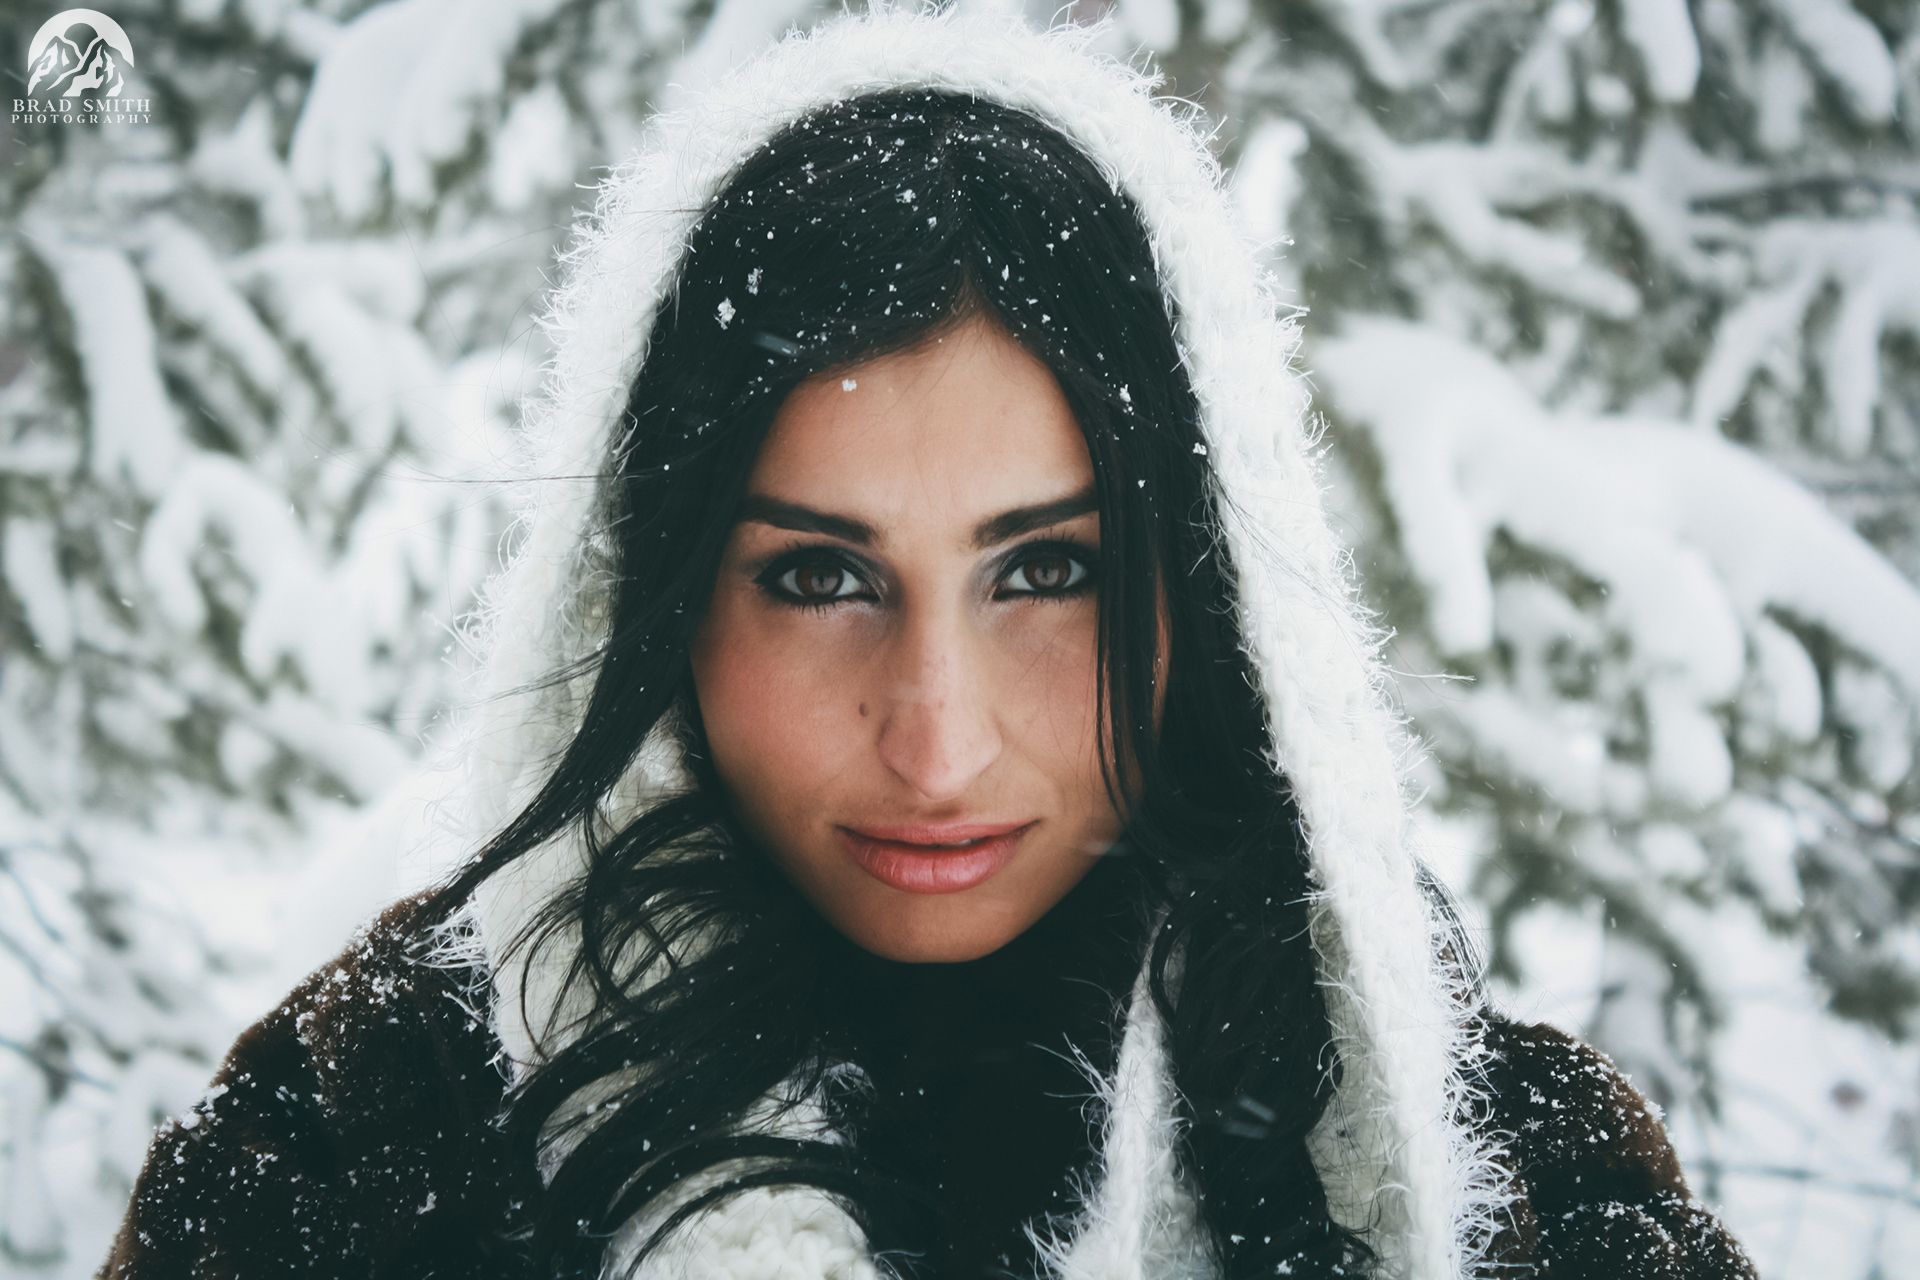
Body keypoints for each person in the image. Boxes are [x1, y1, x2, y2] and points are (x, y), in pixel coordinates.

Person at [98, 5, 1757, 1278]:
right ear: (656, 599)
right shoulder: (368, 1144)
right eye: (819, 579)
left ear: (1208, 590)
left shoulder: (1498, 1180)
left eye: (1047, 573)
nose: (937, 741)